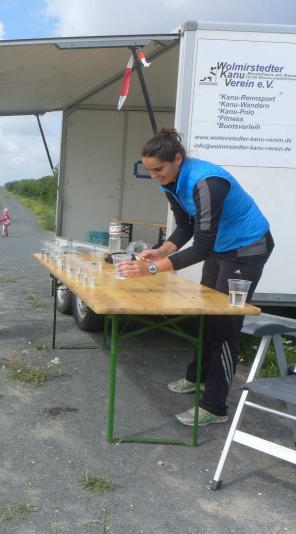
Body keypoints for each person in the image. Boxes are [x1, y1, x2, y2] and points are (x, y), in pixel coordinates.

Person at [116, 128, 274, 426]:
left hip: (247, 249)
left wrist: (151, 269)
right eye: (150, 171)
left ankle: (215, 407)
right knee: (205, 314)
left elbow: (202, 247)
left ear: (178, 159)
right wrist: (161, 251)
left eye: (158, 170)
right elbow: (185, 226)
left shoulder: (207, 183)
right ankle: (197, 376)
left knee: (225, 323)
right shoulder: (170, 182)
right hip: (221, 248)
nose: (155, 177)